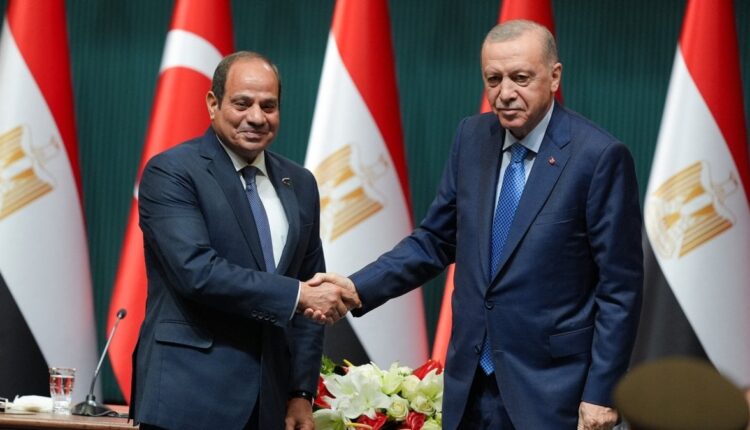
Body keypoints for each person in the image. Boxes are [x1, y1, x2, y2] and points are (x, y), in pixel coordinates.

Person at [309, 20, 643, 429]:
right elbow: (435, 239)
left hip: (553, 391)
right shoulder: (472, 137)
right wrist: (357, 288)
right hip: (469, 386)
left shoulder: (598, 156)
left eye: (521, 78)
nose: (505, 93)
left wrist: (601, 392)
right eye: (494, 79)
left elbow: (619, 288)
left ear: (554, 77)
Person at [129, 51, 359, 430]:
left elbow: (312, 290)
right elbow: (197, 272)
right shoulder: (172, 172)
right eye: (242, 103)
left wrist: (301, 392)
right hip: (188, 398)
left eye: (268, 106)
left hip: (269, 405)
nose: (256, 117)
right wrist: (297, 295)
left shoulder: (300, 183)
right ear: (213, 103)